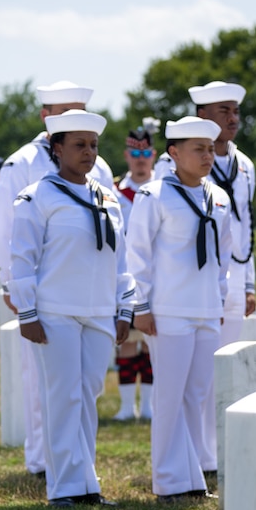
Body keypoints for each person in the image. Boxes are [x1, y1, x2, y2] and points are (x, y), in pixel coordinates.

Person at [8, 110, 133, 507]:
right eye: (79, 145)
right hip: (55, 312)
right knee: (62, 398)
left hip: (98, 311)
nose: (88, 153)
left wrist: (125, 307)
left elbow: (121, 259)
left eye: (93, 145)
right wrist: (27, 313)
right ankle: (64, 488)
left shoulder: (107, 197)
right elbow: (21, 260)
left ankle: (86, 483)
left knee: (88, 396)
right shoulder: (37, 198)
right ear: (56, 148)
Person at [0, 80, 113, 477]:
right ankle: (44, 460)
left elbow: (111, 237)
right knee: (44, 384)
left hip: (91, 296)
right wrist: (17, 290)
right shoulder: (22, 164)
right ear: (48, 118)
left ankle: (77, 467)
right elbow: (8, 232)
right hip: (48, 296)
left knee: (83, 390)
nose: (88, 148)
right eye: (66, 112)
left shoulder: (101, 171)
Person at [126, 116, 232, 501]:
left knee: (198, 394)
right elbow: (136, 254)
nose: (208, 156)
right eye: (198, 149)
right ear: (173, 153)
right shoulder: (154, 196)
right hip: (168, 309)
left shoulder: (218, 197)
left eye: (210, 149)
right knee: (169, 395)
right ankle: (169, 479)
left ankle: (191, 477)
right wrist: (140, 305)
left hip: (205, 309)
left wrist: (219, 300)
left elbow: (223, 258)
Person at [158, 81, 256, 348]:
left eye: (236, 111)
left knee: (221, 370)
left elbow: (245, 224)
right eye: (224, 110)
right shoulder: (173, 164)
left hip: (233, 275)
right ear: (202, 115)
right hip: (185, 281)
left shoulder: (245, 165)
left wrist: (247, 285)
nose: (233, 118)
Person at [112, 122, 159, 421]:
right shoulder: (116, 192)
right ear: (127, 155)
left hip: (158, 277)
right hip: (126, 277)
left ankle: (150, 405)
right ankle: (127, 406)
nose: (140, 158)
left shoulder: (164, 189)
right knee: (127, 342)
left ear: (153, 155)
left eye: (145, 152)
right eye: (134, 152)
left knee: (153, 342)